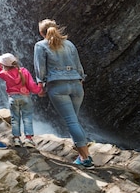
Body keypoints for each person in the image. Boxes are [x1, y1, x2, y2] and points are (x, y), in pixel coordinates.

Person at [33, 19, 94, 169]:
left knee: (71, 122)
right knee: (74, 120)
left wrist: (40, 84)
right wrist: (80, 80)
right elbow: (78, 65)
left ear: (41, 33)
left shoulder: (40, 45)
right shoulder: (69, 44)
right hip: (76, 85)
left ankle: (86, 159)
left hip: (58, 87)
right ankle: (83, 155)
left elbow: (40, 68)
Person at [0, 53, 42, 148]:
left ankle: (16, 139)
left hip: (13, 98)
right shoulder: (24, 71)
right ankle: (28, 139)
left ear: (4, 65)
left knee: (15, 119)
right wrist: (39, 90)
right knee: (27, 118)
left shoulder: (5, 73)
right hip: (25, 97)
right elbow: (32, 86)